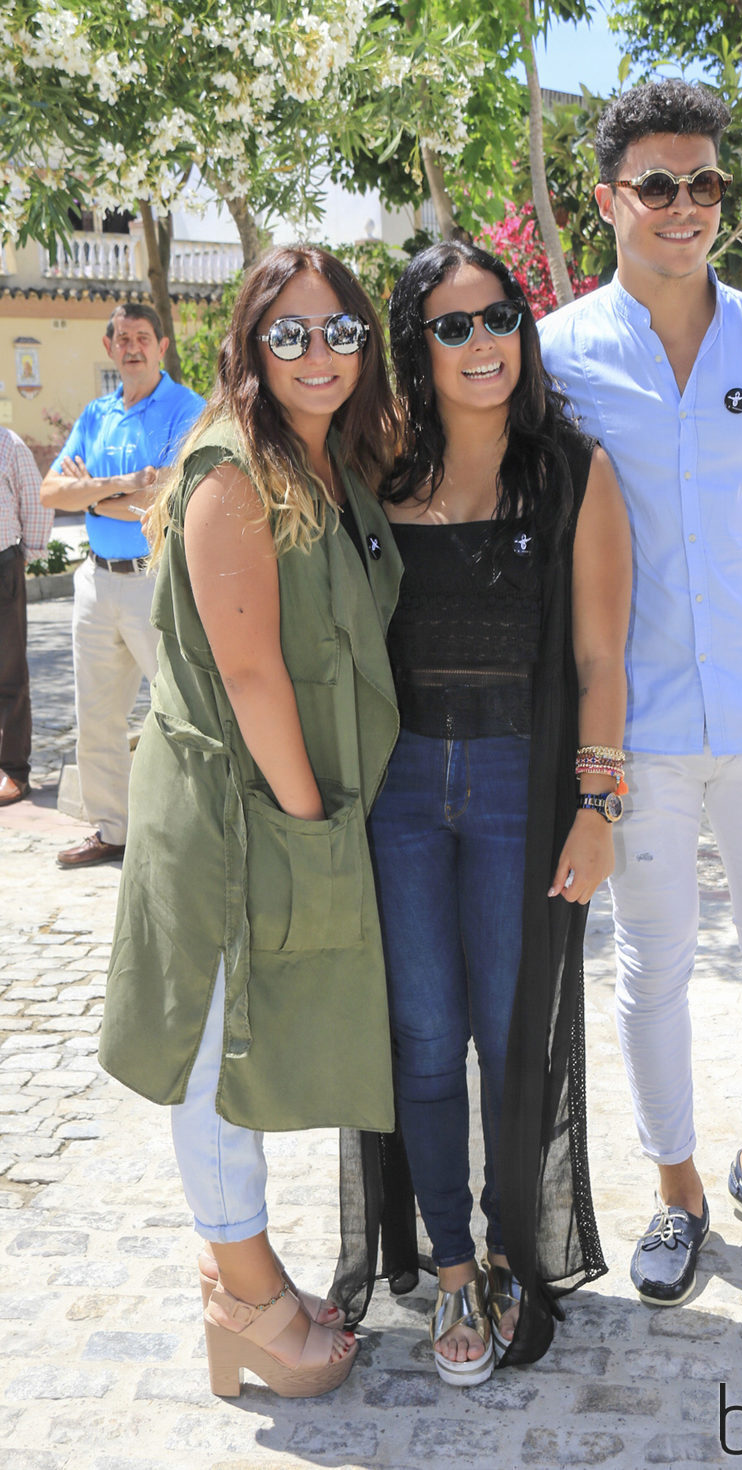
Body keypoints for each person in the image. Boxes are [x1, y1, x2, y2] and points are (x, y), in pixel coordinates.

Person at [539, 79, 742, 1308]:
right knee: (652, 963)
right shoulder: (557, 357)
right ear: (609, 199)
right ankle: (674, 1189)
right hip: (634, 732)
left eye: (707, 183)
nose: (688, 207)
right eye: (661, 184)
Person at [99, 245, 402, 1399]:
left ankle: (246, 1276)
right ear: (248, 347)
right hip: (242, 804)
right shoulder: (233, 469)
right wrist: (311, 825)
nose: (317, 353)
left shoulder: (327, 459)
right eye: (289, 334)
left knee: (255, 1030)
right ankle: (247, 1294)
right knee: (217, 1043)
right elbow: (252, 672)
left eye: (337, 331)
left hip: (281, 797)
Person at [335, 241, 631, 1384]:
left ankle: (513, 1252)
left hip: (520, 784)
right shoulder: (376, 468)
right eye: (450, 327)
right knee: (419, 1034)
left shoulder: (570, 471)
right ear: (416, 346)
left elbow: (603, 657)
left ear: (523, 324)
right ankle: (447, 1260)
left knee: (512, 1039)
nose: (480, 344)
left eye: (496, 317)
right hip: (399, 787)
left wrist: (596, 806)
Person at [40, 304, 205, 868]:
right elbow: (50, 492)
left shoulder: (187, 409)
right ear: (109, 348)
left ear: (162, 346)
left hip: (154, 579)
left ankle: (195, 830)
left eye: (143, 338)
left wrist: (91, 492)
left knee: (183, 710)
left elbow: (166, 499)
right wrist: (121, 487)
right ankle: (113, 830)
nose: (132, 347)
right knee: (98, 716)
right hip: (96, 583)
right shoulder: (96, 413)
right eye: (122, 338)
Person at [0, 427, 53, 807]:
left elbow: (36, 500)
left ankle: (13, 770)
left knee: (8, 672)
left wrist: (28, 554)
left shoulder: (7, 443)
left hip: (1, 565)